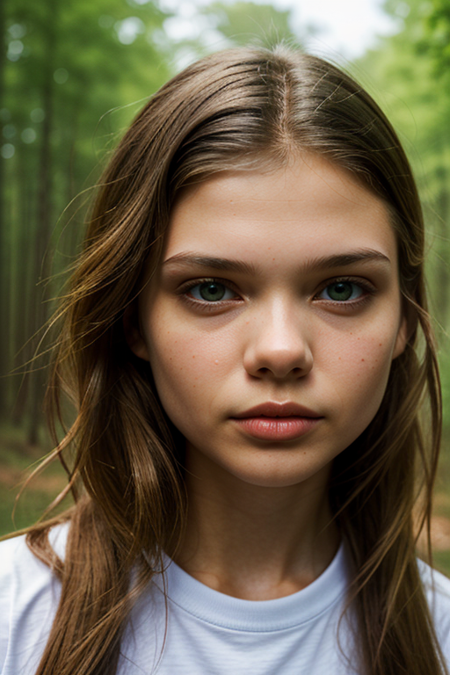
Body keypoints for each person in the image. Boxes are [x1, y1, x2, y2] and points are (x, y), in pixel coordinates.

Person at [1, 44, 449, 675]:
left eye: (342, 288)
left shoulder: (441, 637)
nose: (281, 350)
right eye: (211, 289)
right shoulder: (12, 622)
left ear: (405, 319)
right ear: (133, 320)